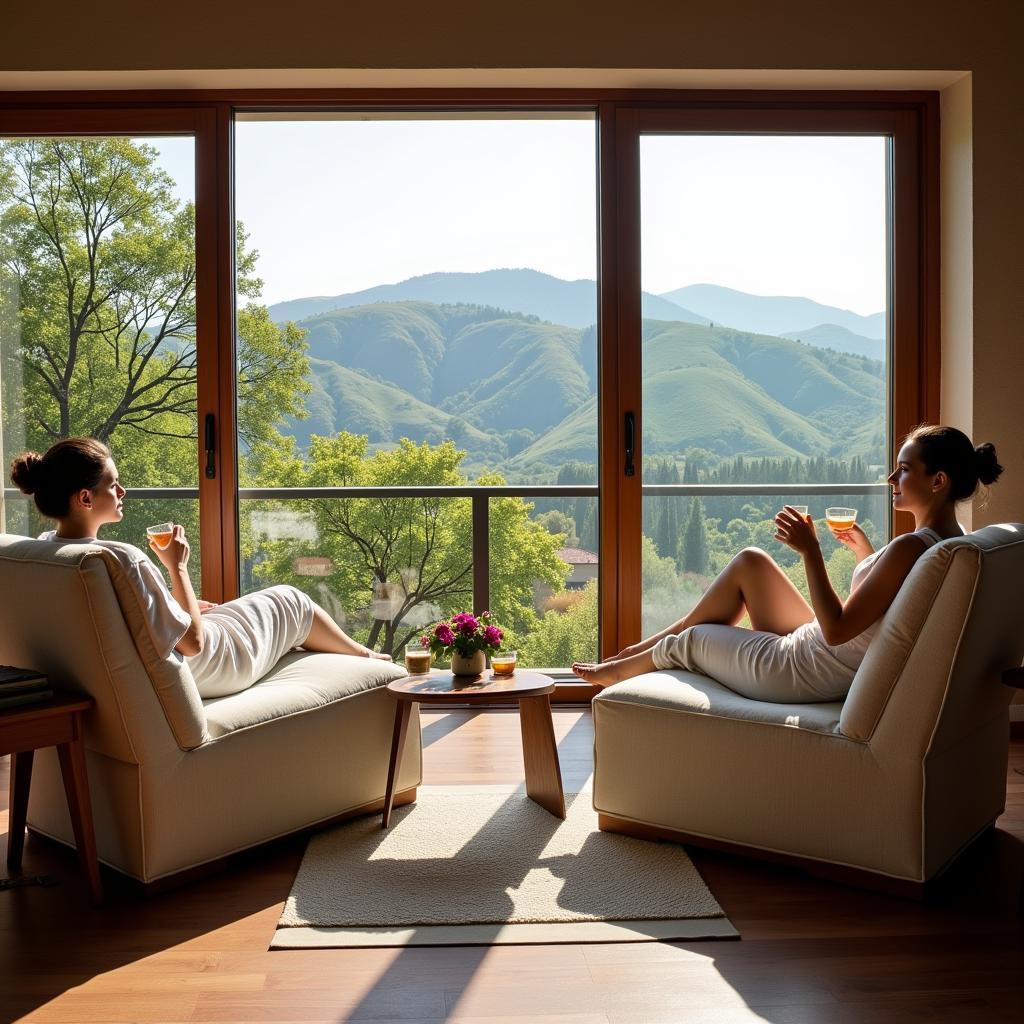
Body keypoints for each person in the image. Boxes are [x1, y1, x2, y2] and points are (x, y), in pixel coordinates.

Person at [573, 425, 1003, 701]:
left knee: (685, 643)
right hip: (818, 652)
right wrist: (865, 553)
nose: (891, 479)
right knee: (751, 562)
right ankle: (633, 652)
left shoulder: (913, 547)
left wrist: (811, 551)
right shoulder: (951, 543)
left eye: (903, 469)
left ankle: (621, 668)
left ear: (938, 481)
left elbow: (836, 630)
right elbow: (882, 608)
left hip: (803, 668)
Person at [10, 437, 391, 699]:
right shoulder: (122, 558)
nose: (122, 492)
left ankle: (359, 656)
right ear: (85, 498)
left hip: (156, 661)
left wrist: (178, 606)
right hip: (212, 667)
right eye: (114, 485)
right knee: (291, 599)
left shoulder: (41, 554)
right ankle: (365, 659)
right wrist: (177, 569)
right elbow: (192, 644)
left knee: (242, 607)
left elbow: (124, 620)